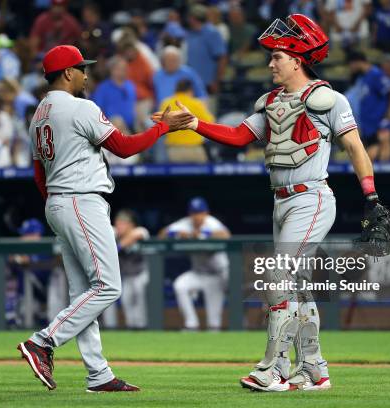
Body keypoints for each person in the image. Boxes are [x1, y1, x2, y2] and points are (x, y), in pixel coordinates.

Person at [154, 13, 386, 392]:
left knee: (278, 278)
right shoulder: (272, 101)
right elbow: (237, 136)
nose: (270, 63)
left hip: (311, 197)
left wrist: (371, 195)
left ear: (296, 60)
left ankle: (274, 369)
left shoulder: (327, 98)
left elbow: (355, 147)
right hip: (282, 202)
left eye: (277, 56)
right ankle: (313, 369)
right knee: (299, 286)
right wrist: (194, 123)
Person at [16, 44, 193, 393]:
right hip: (80, 200)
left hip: (59, 201)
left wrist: (56, 206)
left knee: (83, 293)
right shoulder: (81, 107)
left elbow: (38, 172)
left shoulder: (39, 113)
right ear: (67, 73)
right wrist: (163, 129)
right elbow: (124, 148)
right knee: (108, 286)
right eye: (82, 68)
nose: (86, 74)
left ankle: (99, 375)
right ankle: (43, 341)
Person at [159, 197, 230, 331]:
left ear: (206, 213)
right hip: (197, 273)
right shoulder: (185, 223)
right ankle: (191, 324)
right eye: (194, 213)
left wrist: (204, 233)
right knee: (180, 285)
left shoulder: (211, 223)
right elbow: (162, 235)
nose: (197, 216)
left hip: (217, 275)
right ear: (190, 214)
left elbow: (226, 235)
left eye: (200, 212)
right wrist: (176, 233)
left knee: (213, 324)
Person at [347, 50, 390, 142]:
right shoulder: (363, 78)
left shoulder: (375, 74)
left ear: (356, 62)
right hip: (368, 127)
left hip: (378, 125)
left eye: (350, 64)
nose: (350, 68)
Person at [110, 209, 150, 329]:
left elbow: (137, 235)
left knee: (140, 300)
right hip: (127, 275)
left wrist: (118, 247)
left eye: (123, 223)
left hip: (142, 274)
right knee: (126, 300)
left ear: (131, 225)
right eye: (118, 223)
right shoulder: (114, 233)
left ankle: (142, 326)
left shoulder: (139, 231)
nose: (119, 226)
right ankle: (131, 327)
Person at [159, 79, 214, 163]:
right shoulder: (196, 103)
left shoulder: (165, 103)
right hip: (195, 149)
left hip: (174, 150)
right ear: (190, 90)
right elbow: (211, 123)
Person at [185, 5, 228, 98]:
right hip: (191, 84)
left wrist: (217, 81)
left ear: (193, 18)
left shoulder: (212, 33)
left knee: (207, 112)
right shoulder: (190, 33)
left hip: (208, 85)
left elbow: (222, 58)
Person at [91, 56, 137, 131]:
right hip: (112, 127)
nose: (124, 70)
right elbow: (96, 110)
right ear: (112, 70)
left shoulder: (130, 85)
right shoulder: (103, 88)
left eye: (125, 68)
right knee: (117, 121)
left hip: (132, 125)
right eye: (120, 68)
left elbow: (134, 106)